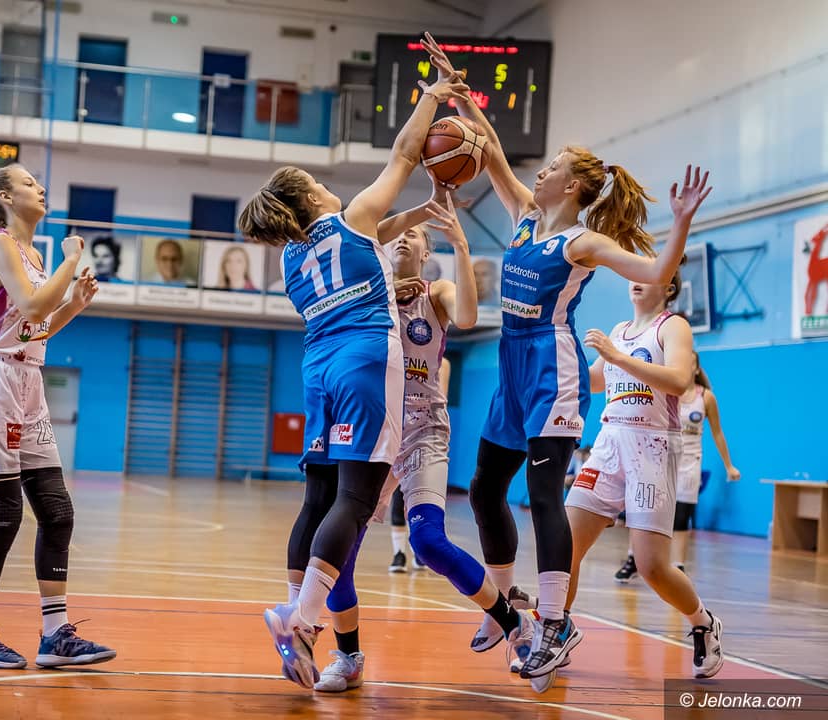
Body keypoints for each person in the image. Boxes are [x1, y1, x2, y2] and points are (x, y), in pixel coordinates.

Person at [419, 33, 712, 686]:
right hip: (511, 368)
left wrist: (682, 223)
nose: (540, 172)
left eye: (551, 167)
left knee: (543, 495)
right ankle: (504, 605)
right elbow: (491, 150)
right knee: (485, 487)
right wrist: (458, 91)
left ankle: (555, 621)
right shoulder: (526, 217)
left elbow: (655, 270)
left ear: (573, 185)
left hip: (553, 372)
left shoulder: (583, 241)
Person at [237, 55, 471, 690]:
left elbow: (373, 235)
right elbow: (404, 153)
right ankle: (302, 621)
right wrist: (433, 97)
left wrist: (421, 214)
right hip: (365, 359)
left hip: (317, 368)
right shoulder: (350, 218)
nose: (327, 184)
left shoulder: (291, 257)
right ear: (311, 197)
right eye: (318, 181)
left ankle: (296, 614)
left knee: (317, 500)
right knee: (358, 499)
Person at [314, 195, 534, 694]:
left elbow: (471, 317)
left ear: (425, 251)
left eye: (411, 235)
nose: (400, 239)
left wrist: (462, 244)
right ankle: (348, 656)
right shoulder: (365, 296)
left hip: (422, 428)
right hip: (374, 429)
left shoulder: (438, 292)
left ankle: (513, 622)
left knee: (429, 543)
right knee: (339, 552)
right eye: (394, 235)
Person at [0, 163, 113, 670]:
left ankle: (55, 634)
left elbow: (35, 326)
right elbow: (35, 306)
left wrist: (74, 304)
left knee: (57, 512)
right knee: (4, 515)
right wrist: (71, 262)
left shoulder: (34, 255)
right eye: (27, 183)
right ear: (4, 198)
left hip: (27, 379)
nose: (40, 188)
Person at [565, 274, 724, 682]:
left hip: (653, 447)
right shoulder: (619, 330)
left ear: (668, 288)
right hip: (609, 443)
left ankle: (702, 621)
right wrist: (562, 351)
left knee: (652, 566)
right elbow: (595, 380)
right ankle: (556, 626)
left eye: (647, 276)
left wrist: (616, 357)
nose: (636, 281)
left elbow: (679, 380)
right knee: (564, 544)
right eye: (633, 275)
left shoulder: (673, 326)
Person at [614, 351, 740, 580]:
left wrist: (729, 465)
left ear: (697, 369)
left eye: (690, 363)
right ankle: (633, 559)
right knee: (643, 511)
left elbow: (718, 433)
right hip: (659, 458)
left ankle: (678, 565)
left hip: (690, 462)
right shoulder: (664, 389)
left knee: (681, 517)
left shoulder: (706, 397)